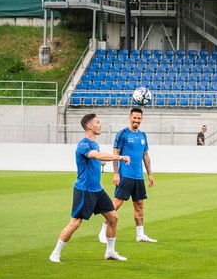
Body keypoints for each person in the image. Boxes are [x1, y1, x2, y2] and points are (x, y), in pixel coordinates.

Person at [49, 113, 131, 262]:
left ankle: (110, 252)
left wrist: (100, 186)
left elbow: (94, 165)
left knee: (113, 218)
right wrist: (120, 157)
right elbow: (97, 156)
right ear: (89, 126)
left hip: (97, 190)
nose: (100, 125)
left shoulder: (95, 144)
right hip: (84, 190)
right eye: (97, 122)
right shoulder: (83, 145)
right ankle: (55, 253)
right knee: (75, 223)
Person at [97, 107, 156, 244]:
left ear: (142, 119)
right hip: (125, 176)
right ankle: (102, 232)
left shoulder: (143, 136)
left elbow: (145, 156)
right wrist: (116, 173)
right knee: (116, 203)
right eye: (134, 118)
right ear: (130, 117)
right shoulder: (122, 134)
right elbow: (115, 154)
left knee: (139, 205)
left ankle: (140, 234)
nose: (136, 120)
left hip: (138, 177)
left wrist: (150, 175)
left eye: (139, 118)